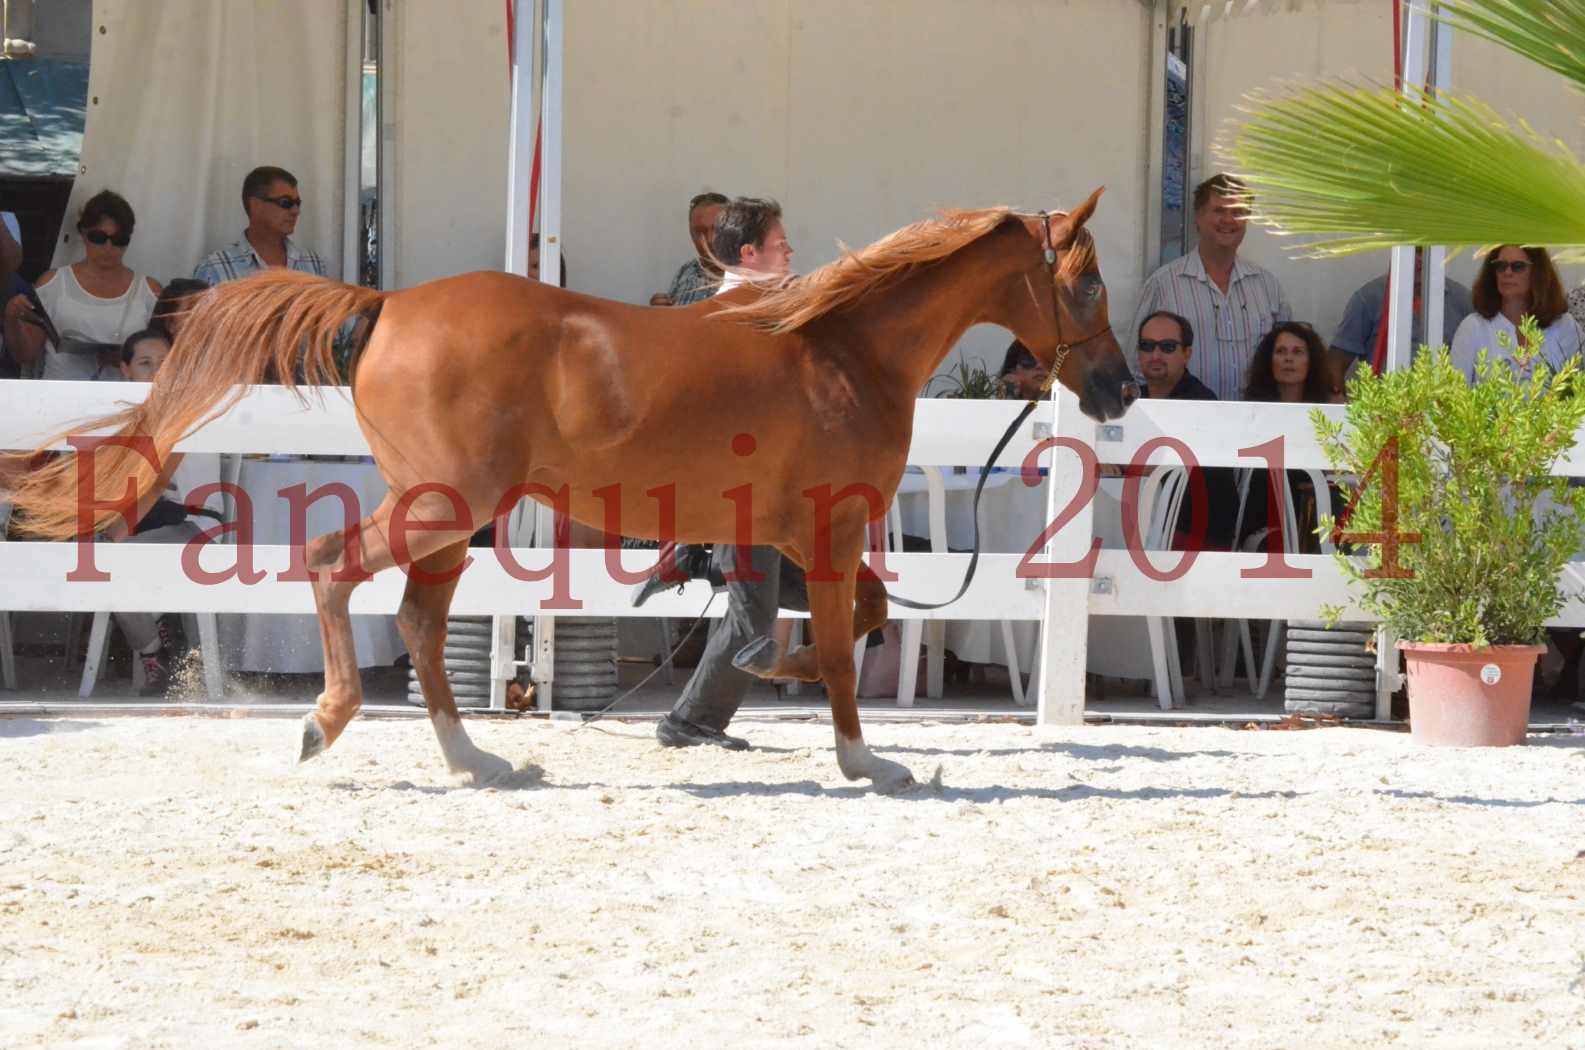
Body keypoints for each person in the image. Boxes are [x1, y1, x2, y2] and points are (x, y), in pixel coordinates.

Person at [632, 196, 799, 749]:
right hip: (743, 493)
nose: (791, 251)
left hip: (763, 492)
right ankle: (690, 721)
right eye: (780, 245)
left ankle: (697, 556)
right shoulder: (731, 322)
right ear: (750, 254)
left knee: (827, 586)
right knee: (755, 621)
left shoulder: (759, 311)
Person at [1131, 174, 1290, 400]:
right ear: (1198, 217)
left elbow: (1288, 363)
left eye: (1237, 212)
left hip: (1255, 426)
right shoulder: (1163, 284)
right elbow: (1136, 367)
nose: (1228, 220)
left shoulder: (1268, 287)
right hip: (1184, 426)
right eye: (1218, 211)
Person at [2, 190, 161, 380]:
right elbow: (26, 355)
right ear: (83, 234)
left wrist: (130, 357)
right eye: (98, 238)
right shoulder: (52, 283)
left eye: (119, 240)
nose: (108, 249)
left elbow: (166, 358)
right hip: (61, 399)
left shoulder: (150, 291)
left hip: (125, 401)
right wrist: (11, 318)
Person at [1328, 256, 1473, 391]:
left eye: (1424, 252)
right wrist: (1338, 401)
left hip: (1441, 411)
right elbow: (1335, 363)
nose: (1419, 259)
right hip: (1382, 409)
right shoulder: (1368, 299)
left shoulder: (1462, 301)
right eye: (1414, 250)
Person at [1450, 244, 1580, 382]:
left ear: (1538, 272)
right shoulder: (1473, 327)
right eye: (1500, 266)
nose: (1507, 272)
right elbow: (1454, 394)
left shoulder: (1565, 327)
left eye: (1518, 266)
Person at [193, 165, 326, 285]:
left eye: (298, 203)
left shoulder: (313, 264)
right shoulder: (214, 270)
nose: (296, 211)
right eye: (285, 202)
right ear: (255, 205)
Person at [650, 191, 728, 306]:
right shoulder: (687, 270)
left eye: (717, 229)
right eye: (699, 232)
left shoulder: (749, 279)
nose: (710, 239)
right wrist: (661, 313)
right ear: (691, 234)